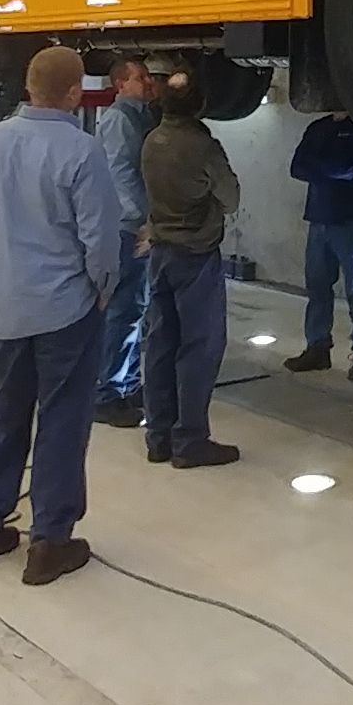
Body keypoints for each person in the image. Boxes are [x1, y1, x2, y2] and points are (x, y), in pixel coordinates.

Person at [0, 45, 126, 586]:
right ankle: (50, 541)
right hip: (64, 312)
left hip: (6, 308)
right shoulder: (80, 151)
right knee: (61, 422)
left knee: (5, 414)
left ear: (27, 87)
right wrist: (103, 292)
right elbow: (99, 241)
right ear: (75, 93)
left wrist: (2, 277)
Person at [138, 73, 242, 468]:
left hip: (161, 252)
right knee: (199, 348)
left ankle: (158, 437)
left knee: (160, 344)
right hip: (196, 255)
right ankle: (190, 440)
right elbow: (230, 198)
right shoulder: (202, 146)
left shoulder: (151, 141)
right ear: (200, 105)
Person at [89, 52, 157, 429]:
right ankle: (107, 393)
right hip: (127, 228)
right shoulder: (119, 119)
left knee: (134, 310)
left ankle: (127, 385)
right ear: (120, 84)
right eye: (141, 76)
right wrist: (144, 220)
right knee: (122, 311)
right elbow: (122, 172)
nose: (148, 82)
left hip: (132, 225)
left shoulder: (139, 117)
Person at [284, 111, 353, 379]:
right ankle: (317, 347)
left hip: (350, 221)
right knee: (317, 288)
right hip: (319, 219)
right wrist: (331, 169)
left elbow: (347, 168)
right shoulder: (319, 128)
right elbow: (297, 167)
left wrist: (320, 168)